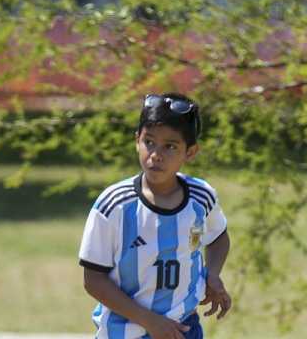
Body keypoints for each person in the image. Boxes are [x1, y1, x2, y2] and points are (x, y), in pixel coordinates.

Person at [79, 93, 232, 339]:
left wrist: (212, 274)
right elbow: (93, 279)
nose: (156, 154)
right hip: (124, 333)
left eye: (170, 146)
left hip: (184, 328)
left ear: (190, 152)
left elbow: (218, 237)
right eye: (149, 142)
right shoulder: (114, 205)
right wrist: (150, 321)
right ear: (136, 140)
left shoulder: (201, 197)